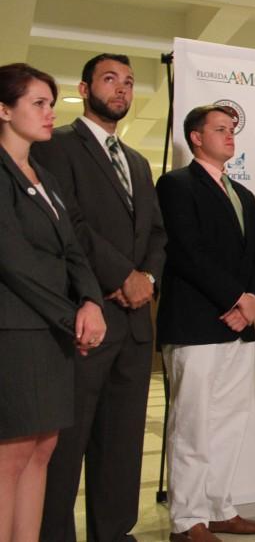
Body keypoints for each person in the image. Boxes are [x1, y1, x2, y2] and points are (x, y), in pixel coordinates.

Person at [35, 53, 166, 542]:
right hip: (87, 316)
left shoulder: (135, 160)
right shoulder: (58, 145)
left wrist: (148, 280)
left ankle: (114, 533)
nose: (122, 90)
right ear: (85, 88)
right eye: (110, 80)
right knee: (69, 444)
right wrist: (121, 277)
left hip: (134, 324)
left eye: (130, 83)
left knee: (122, 443)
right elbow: (69, 222)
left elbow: (156, 231)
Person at [0, 63, 105, 542]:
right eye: (38, 103)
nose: (49, 113)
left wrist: (90, 301)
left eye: (51, 102)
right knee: (11, 457)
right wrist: (72, 318)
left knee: (43, 450)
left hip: (54, 335)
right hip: (16, 332)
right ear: (4, 110)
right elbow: (13, 260)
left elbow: (74, 249)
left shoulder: (44, 174)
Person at [156, 105, 255, 542]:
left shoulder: (241, 193)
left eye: (232, 129)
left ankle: (220, 508)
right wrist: (233, 297)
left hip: (239, 325)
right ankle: (187, 520)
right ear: (196, 138)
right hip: (195, 322)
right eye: (220, 129)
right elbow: (185, 250)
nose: (230, 136)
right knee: (193, 424)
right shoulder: (176, 184)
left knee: (228, 422)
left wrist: (253, 299)